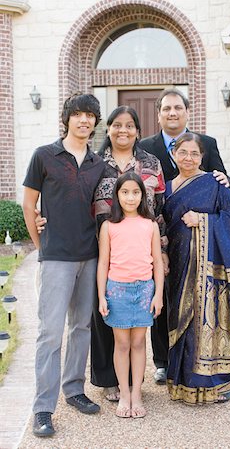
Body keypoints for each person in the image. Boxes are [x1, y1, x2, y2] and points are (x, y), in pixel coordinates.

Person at [23, 93, 105, 437]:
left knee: (81, 328)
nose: (84, 121)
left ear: (95, 123)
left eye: (90, 116)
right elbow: (29, 205)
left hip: (90, 255)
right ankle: (43, 407)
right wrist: (43, 245)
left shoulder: (98, 163)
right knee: (49, 333)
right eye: (78, 115)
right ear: (67, 118)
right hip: (56, 257)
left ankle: (74, 390)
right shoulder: (44, 156)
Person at [139, 88, 230, 384]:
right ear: (159, 114)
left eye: (178, 107)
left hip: (201, 249)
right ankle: (163, 361)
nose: (172, 113)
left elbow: (220, 183)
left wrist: (225, 178)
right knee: (161, 300)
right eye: (166, 108)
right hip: (162, 240)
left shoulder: (207, 143)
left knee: (201, 302)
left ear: (187, 111)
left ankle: (200, 359)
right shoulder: (146, 147)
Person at [91, 106, 167, 401]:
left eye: (129, 125)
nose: (123, 130)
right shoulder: (95, 163)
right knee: (105, 317)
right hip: (100, 246)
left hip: (142, 250)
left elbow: (160, 208)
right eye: (116, 125)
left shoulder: (151, 163)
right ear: (108, 129)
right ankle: (110, 381)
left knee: (139, 327)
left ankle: (136, 386)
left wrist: (163, 248)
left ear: (137, 130)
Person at [162, 132, 230, 405]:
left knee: (205, 318)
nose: (188, 158)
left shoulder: (213, 183)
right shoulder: (166, 189)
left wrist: (203, 220)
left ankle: (215, 382)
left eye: (194, 153)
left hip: (207, 272)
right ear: (174, 154)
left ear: (202, 156)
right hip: (177, 266)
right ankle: (181, 381)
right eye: (183, 152)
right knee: (179, 320)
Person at [97, 172, 164, 418]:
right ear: (117, 195)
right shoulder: (109, 226)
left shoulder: (150, 225)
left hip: (144, 289)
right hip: (117, 290)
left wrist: (158, 295)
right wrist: (102, 296)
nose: (130, 197)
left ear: (142, 196)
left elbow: (157, 261)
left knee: (138, 342)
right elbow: (103, 263)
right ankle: (123, 393)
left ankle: (137, 393)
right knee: (122, 343)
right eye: (125, 192)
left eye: (136, 192)